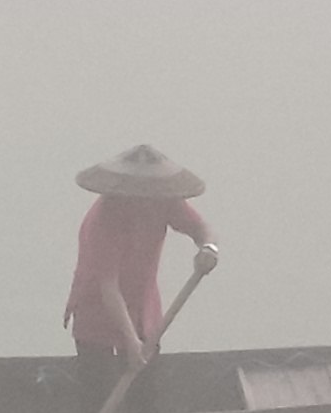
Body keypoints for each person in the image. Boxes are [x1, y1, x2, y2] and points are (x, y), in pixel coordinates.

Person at [65, 145, 218, 397]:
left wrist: (208, 249)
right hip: (97, 316)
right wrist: (130, 341)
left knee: (145, 398)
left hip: (143, 312)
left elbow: (202, 229)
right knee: (99, 399)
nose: (146, 198)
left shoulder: (164, 202)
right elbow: (108, 286)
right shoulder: (105, 217)